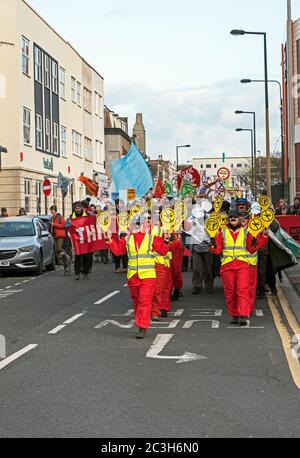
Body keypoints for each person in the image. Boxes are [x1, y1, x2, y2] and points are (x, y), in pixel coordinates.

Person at [106, 215, 170, 339]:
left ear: (145, 225)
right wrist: (110, 240)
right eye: (135, 224)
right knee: (137, 302)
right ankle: (141, 323)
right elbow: (119, 251)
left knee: (144, 301)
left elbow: (163, 251)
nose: (138, 226)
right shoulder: (127, 239)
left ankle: (142, 327)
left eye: (140, 223)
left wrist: (166, 241)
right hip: (133, 276)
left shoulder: (152, 238)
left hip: (148, 276)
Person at [210, 209, 263, 326]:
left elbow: (251, 249)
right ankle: (234, 314)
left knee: (242, 290)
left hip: (242, 265)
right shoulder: (222, 233)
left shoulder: (246, 232)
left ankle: (243, 314)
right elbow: (217, 251)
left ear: (239, 218)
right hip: (227, 266)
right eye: (231, 217)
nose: (233, 218)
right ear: (228, 219)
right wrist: (213, 244)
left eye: (235, 217)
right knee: (230, 292)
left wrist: (255, 244)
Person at [69, 202, 93, 280]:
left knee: (86, 256)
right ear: (74, 209)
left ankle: (86, 273)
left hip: (86, 239)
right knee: (78, 257)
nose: (77, 210)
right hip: (77, 240)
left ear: (81, 208)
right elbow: (66, 225)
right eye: (76, 208)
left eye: (78, 208)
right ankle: (77, 273)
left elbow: (92, 224)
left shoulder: (87, 215)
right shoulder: (71, 217)